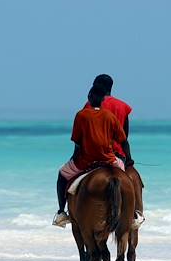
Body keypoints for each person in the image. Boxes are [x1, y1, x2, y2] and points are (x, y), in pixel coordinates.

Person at [53, 85, 127, 228]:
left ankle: (62, 213)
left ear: (90, 97)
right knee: (126, 179)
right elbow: (122, 140)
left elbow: (78, 143)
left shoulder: (81, 115)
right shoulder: (110, 116)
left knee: (62, 174)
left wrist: (74, 158)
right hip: (110, 161)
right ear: (103, 100)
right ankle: (133, 213)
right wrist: (125, 158)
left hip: (86, 161)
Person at [86, 74, 134, 167]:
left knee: (63, 173)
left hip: (94, 156)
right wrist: (129, 158)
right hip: (119, 156)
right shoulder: (123, 106)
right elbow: (125, 136)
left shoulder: (89, 105)